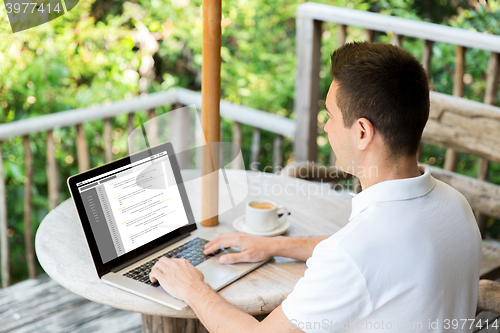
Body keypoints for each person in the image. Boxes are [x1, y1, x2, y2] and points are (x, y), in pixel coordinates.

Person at [149, 42, 482, 332]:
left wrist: (192, 287)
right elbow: (378, 257)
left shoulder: (356, 251)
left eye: (331, 116)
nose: (326, 127)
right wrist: (274, 246)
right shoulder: (454, 206)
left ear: (362, 132)